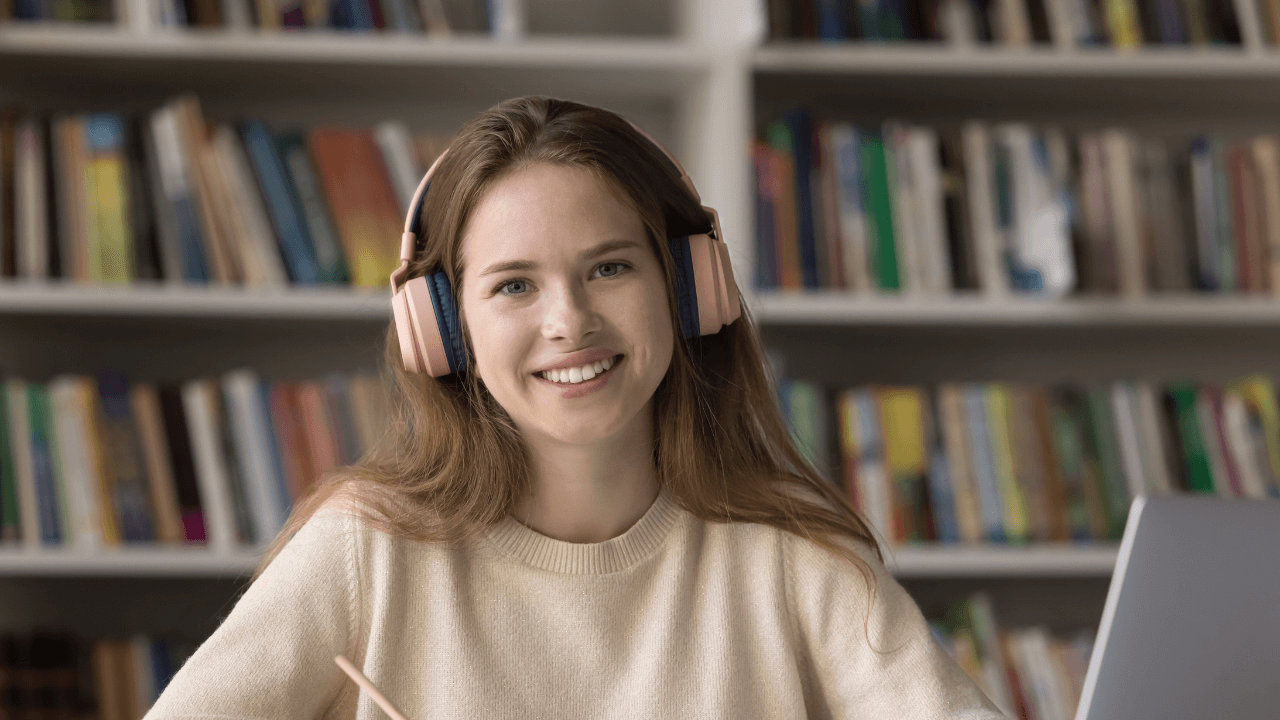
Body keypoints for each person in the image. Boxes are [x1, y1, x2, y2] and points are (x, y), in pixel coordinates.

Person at [144, 96, 1006, 719]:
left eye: (609, 268)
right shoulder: (368, 549)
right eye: (514, 285)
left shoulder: (793, 554)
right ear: (444, 331)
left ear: (688, 287)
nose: (570, 322)